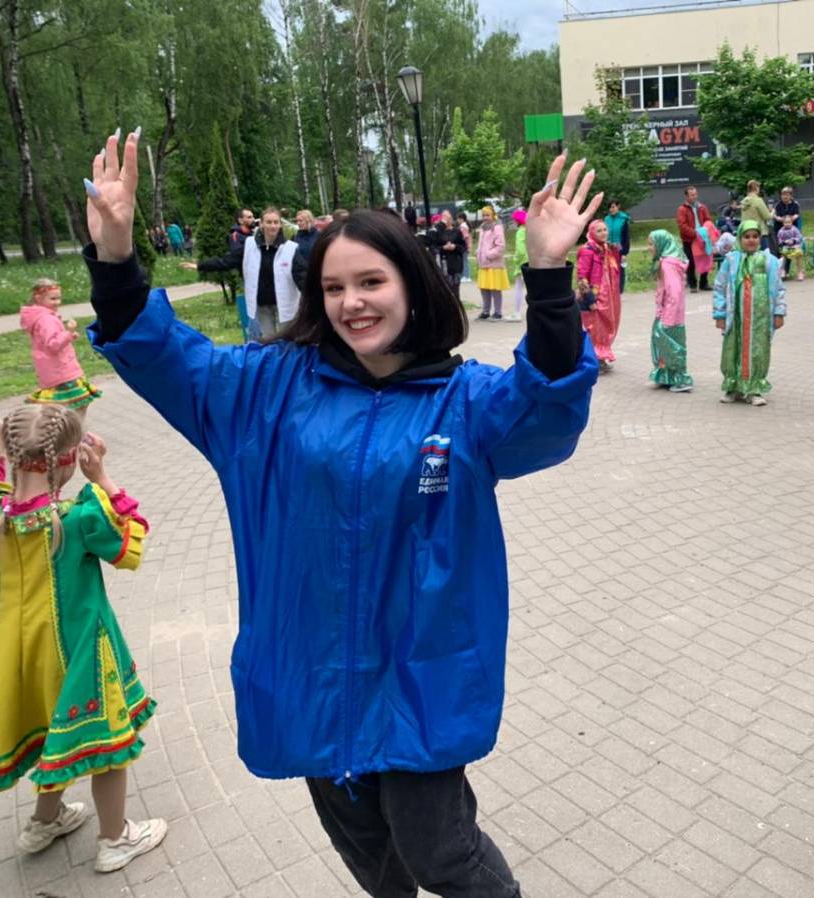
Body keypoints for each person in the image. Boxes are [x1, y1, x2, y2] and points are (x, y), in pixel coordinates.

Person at [82, 130, 601, 897]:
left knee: (440, 855)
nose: (352, 303)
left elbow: (549, 406)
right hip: (310, 675)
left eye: (371, 282)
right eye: (333, 288)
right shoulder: (264, 391)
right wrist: (117, 258)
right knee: (375, 865)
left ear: (413, 285)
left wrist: (549, 275)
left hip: (421, 677)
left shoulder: (468, 404)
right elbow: (165, 356)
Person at [0, 397, 168, 872]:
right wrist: (103, 479)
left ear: (15, 457)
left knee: (49, 730)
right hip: (82, 655)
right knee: (108, 747)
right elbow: (131, 544)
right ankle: (115, 838)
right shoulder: (78, 518)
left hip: (21, 658)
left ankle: (46, 818)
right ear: (69, 460)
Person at [184, 207, 301, 339]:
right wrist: (201, 265)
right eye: (268, 222)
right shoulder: (249, 245)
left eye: (276, 222)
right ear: (261, 224)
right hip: (262, 304)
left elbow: (301, 276)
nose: (272, 226)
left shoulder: (291, 248)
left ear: (280, 224)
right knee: (269, 342)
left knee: (289, 342)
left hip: (286, 304)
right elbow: (227, 261)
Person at [711, 220, 786, 406]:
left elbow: (778, 288)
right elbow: (720, 287)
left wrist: (779, 312)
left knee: (758, 350)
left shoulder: (769, 261)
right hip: (735, 318)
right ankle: (733, 387)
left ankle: (754, 388)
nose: (751, 240)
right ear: (740, 238)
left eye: (755, 236)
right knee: (732, 349)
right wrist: (720, 314)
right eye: (746, 237)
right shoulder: (731, 260)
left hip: (760, 319)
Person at [21, 279, 102, 415]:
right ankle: (74, 433)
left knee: (66, 408)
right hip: (62, 371)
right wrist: (69, 332)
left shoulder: (40, 317)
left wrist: (68, 336)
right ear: (38, 298)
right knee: (76, 407)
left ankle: (69, 431)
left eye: (59, 298)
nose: (57, 302)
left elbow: (48, 341)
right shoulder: (46, 319)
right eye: (53, 298)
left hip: (52, 371)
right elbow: (53, 345)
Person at [647, 229, 693, 393]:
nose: (649, 248)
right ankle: (666, 375)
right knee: (662, 343)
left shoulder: (668, 264)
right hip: (668, 311)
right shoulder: (667, 262)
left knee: (670, 343)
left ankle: (681, 378)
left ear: (661, 244)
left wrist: (667, 318)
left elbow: (674, 292)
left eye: (652, 244)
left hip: (670, 314)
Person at [576, 219, 623, 372]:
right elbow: (582, 277)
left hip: (608, 298)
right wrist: (589, 298)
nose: (603, 233)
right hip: (594, 297)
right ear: (591, 233)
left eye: (605, 229)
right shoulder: (587, 250)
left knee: (606, 327)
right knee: (595, 329)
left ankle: (601, 357)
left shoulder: (606, 249)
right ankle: (594, 359)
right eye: (599, 231)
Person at [475, 205, 509, 321]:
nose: (485, 217)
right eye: (483, 215)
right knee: (484, 289)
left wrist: (489, 254)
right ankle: (486, 311)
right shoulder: (483, 228)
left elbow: (501, 246)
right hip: (483, 264)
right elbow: (482, 245)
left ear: (493, 215)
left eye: (487, 215)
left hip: (493, 264)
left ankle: (498, 312)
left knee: (495, 289)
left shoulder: (497, 228)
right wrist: (478, 253)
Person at [676, 185, 713, 292]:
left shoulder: (702, 207)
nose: (694, 197)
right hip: (689, 239)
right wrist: (695, 233)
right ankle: (692, 284)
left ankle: (704, 283)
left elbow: (708, 220)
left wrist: (705, 231)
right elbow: (682, 226)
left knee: (704, 260)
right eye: (692, 195)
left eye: (695, 194)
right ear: (686, 196)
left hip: (703, 238)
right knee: (691, 261)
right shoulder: (682, 209)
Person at [434, 210, 466, 300]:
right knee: (445, 290)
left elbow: (463, 247)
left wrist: (455, 246)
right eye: (444, 218)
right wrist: (443, 248)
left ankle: (456, 309)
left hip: (456, 263)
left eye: (448, 218)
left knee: (455, 290)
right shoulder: (438, 232)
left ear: (451, 219)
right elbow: (433, 247)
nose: (446, 220)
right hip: (443, 263)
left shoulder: (457, 231)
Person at [740, 180, 777, 253]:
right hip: (759, 233)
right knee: (765, 256)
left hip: (746, 232)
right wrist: (773, 211)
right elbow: (768, 217)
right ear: (757, 188)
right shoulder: (758, 200)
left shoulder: (744, 201)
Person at [604, 200, 632, 292]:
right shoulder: (606, 219)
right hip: (608, 246)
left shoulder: (624, 219)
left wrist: (624, 253)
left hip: (619, 246)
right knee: (608, 267)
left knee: (619, 267)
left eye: (613, 207)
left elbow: (626, 237)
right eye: (610, 207)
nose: (611, 209)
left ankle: (619, 289)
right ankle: (610, 288)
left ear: (618, 206)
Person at [508, 209, 528, 321]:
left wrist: (516, 259)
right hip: (531, 262)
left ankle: (516, 312)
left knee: (518, 288)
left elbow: (520, 250)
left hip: (522, 264)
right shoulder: (529, 230)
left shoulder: (520, 231)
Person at [457, 211, 473, 283]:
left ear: (462, 219)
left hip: (464, 247)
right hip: (466, 246)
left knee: (464, 261)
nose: (457, 220)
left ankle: (466, 276)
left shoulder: (463, 226)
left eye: (458, 219)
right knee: (464, 261)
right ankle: (465, 275)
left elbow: (465, 237)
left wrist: (467, 246)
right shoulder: (465, 225)